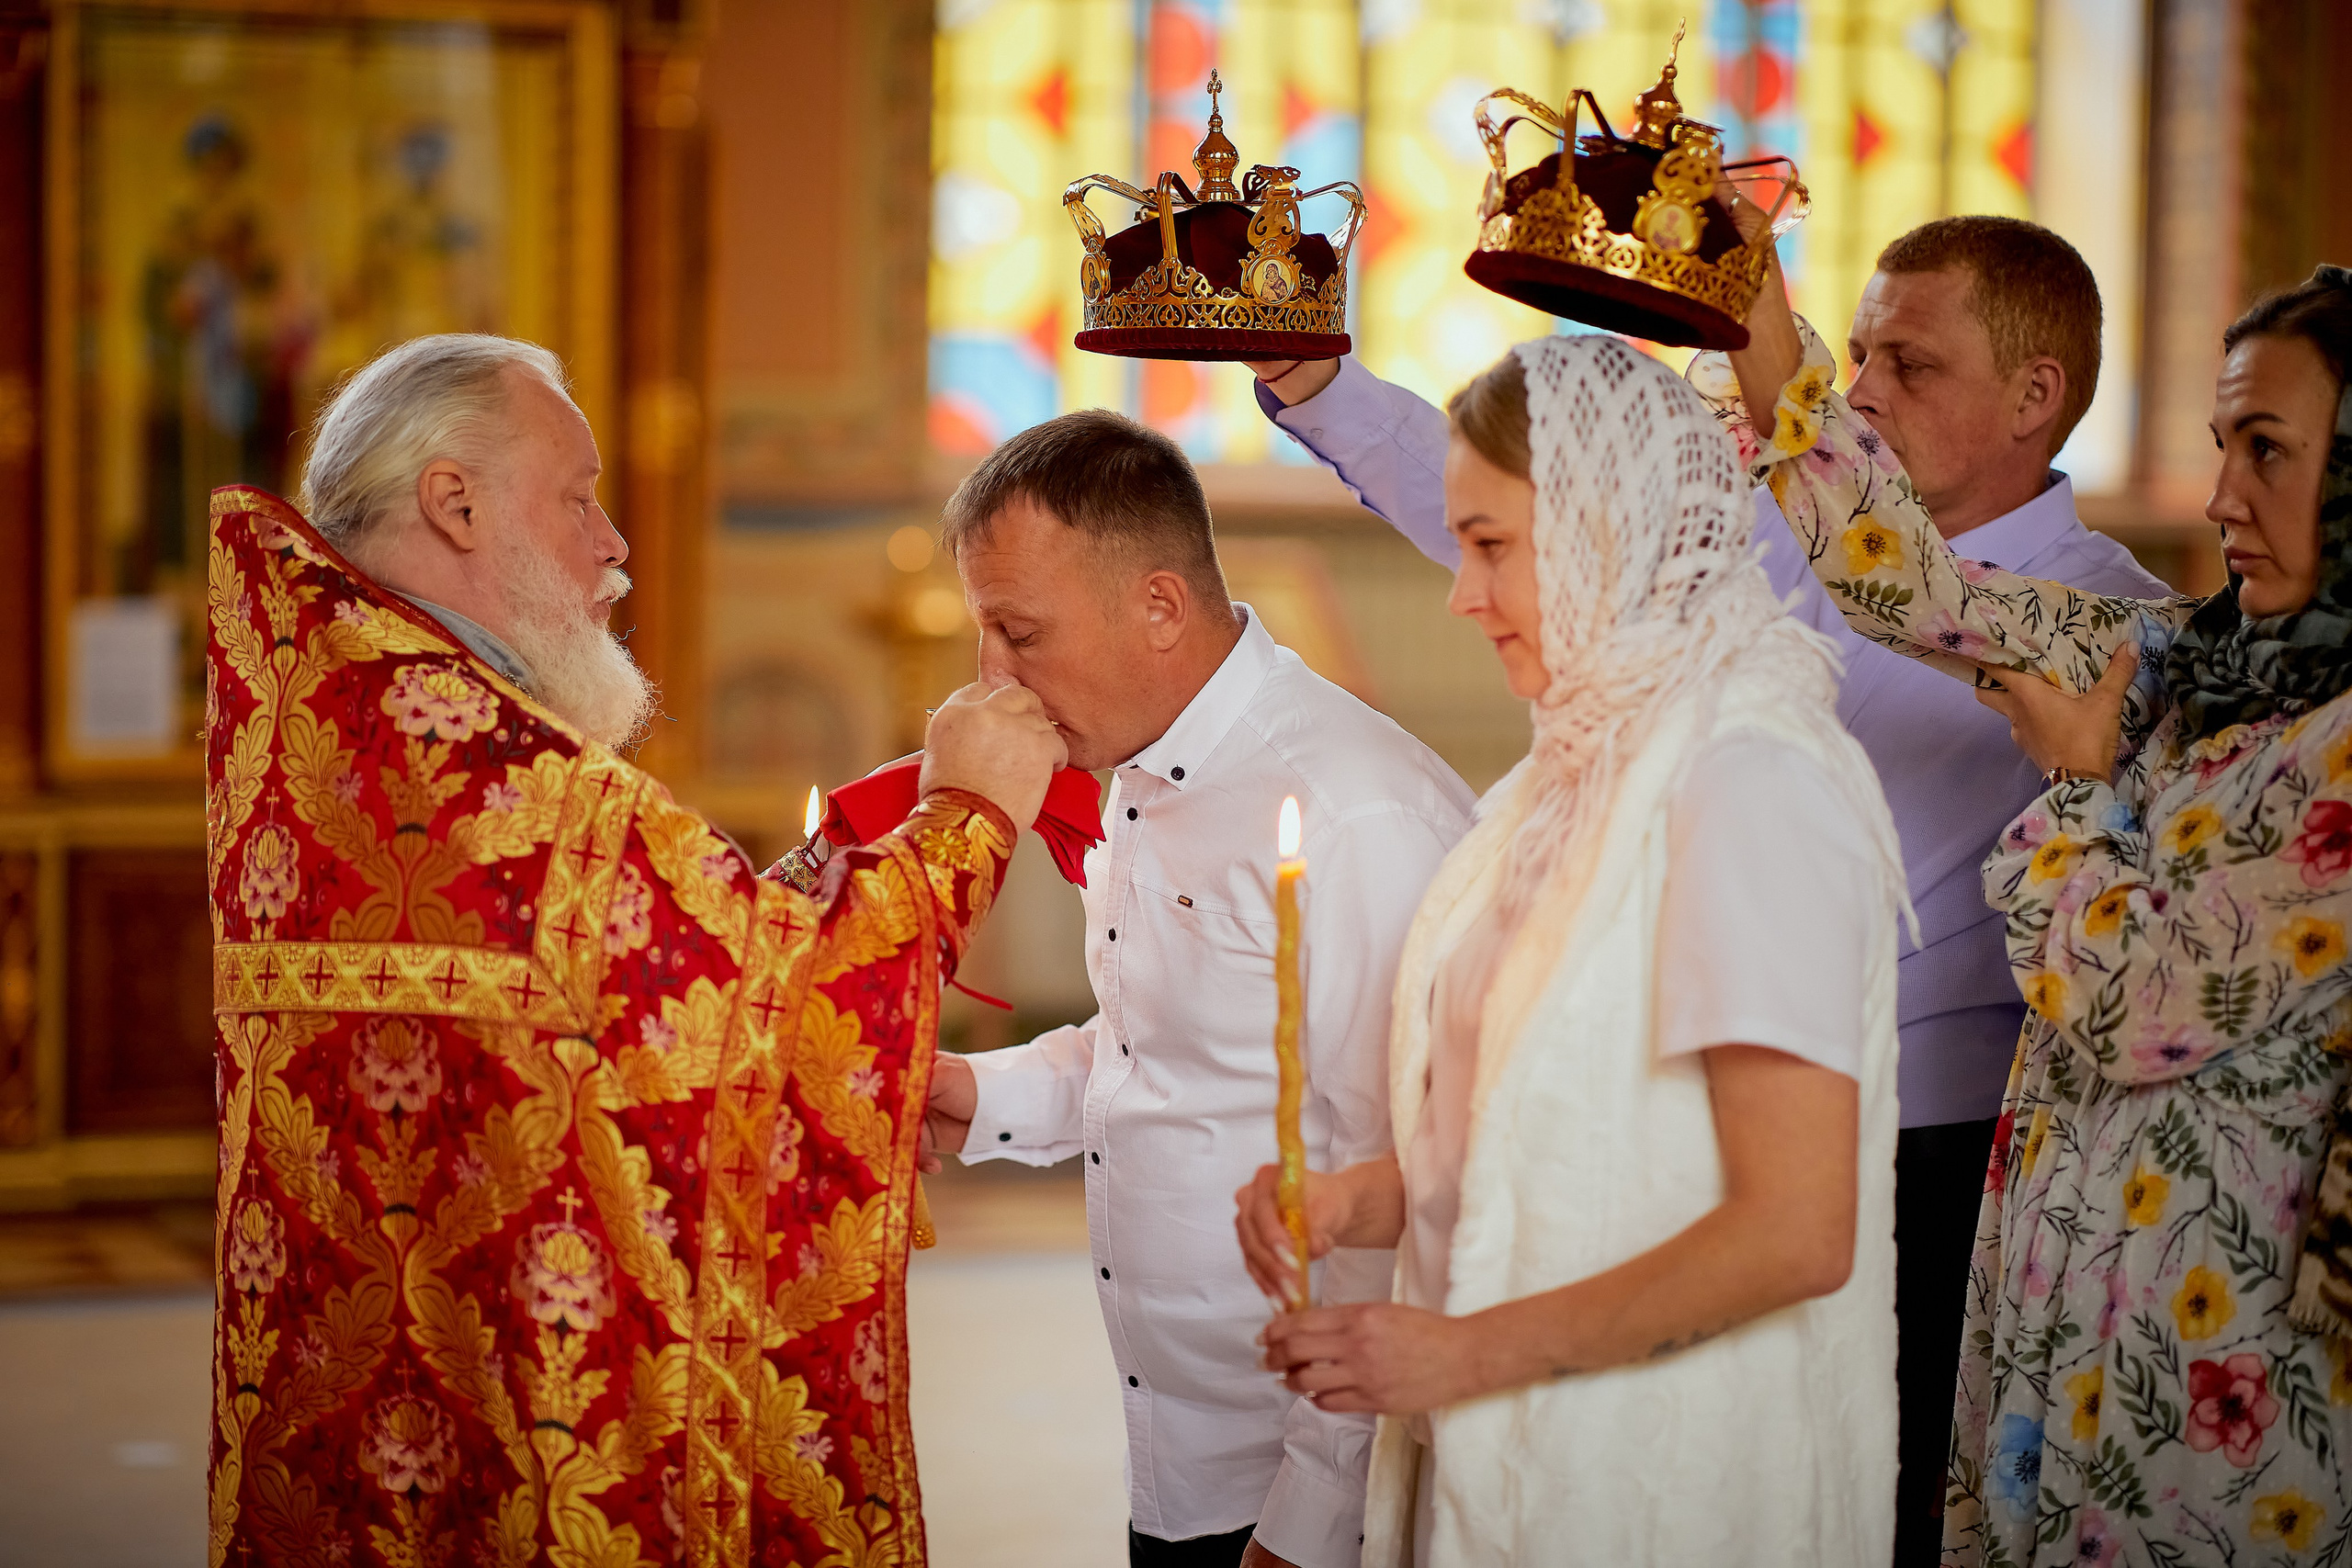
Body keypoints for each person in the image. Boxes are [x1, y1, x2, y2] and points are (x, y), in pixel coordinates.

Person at [1246, 215, 2168, 1561]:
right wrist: (1320, 381)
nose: (1855, 388)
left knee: (1873, 1481)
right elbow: (1541, 503)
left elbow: (1790, 1231)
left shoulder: (2107, 624)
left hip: (1938, 1148)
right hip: (1664, 1136)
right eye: (1849, 352)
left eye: (1905, 362)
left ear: (2035, 393)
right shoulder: (1754, 559)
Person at [206, 333, 1063, 1561]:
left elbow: (630, 1002)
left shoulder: (312, 744)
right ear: (454, 502)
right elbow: (788, 997)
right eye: (578, 495)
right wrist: (970, 813)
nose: (612, 543)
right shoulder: (523, 787)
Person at [1713, 259, 2352, 1564]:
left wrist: (2075, 786)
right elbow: (1909, 585)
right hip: (2065, 1308)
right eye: (2222, 443)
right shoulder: (2187, 657)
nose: (2224, 495)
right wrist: (1756, 319)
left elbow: (2130, 1006)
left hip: (2215, 1350)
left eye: (2270, 450)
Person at [1241, 333, 1908, 1565]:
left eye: (1491, 544)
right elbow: (1542, 1131)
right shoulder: (1568, 775)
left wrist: (1455, 1350)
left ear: (1611, 523)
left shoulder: (1747, 780)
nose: (1462, 590)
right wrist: (1359, 1197)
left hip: (1661, 1473)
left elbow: (1798, 1226)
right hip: (1504, 1441)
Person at [918, 410, 1474, 1568]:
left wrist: (1309, 1526)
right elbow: (1156, 1051)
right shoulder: (1139, 758)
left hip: (1298, 1480)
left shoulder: (1353, 812)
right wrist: (979, 1094)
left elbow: (1402, 1194)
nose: (993, 680)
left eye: (1019, 633)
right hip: (1176, 1449)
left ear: (1160, 606)